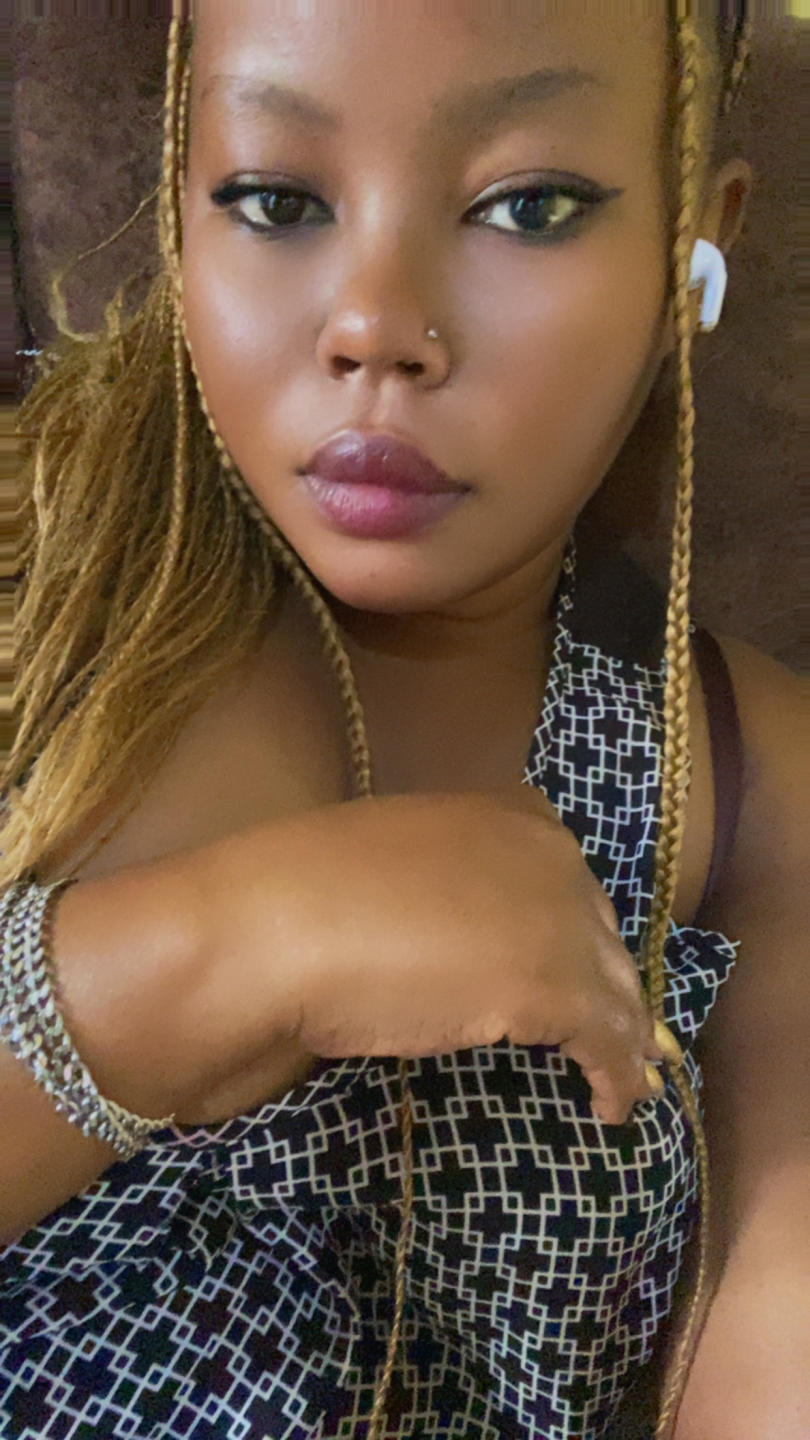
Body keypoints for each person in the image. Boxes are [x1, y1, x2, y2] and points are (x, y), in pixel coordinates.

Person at [1, 3, 806, 1438]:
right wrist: (229, 954)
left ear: (691, 246)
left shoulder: (746, 784)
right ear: (182, 206)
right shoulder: (30, 599)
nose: (374, 325)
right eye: (274, 199)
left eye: (527, 205)